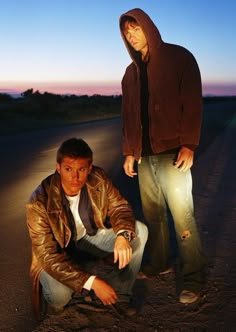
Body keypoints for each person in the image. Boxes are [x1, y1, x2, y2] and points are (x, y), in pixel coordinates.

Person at [119, 8, 207, 304]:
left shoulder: (178, 57)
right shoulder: (130, 74)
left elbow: (192, 102)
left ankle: (194, 279)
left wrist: (189, 144)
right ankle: (159, 263)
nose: (131, 35)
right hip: (144, 156)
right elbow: (129, 117)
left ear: (148, 28)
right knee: (153, 215)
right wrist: (130, 151)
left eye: (136, 29)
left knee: (183, 215)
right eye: (127, 32)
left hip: (172, 152)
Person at [26, 137, 148, 317]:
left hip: (87, 237)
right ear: (58, 168)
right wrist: (92, 282)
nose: (75, 177)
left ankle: (121, 294)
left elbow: (119, 206)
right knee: (60, 297)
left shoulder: (97, 177)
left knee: (138, 231)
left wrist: (123, 235)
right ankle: (60, 292)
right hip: (57, 252)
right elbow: (47, 255)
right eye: (68, 169)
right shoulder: (38, 202)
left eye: (81, 170)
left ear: (89, 168)